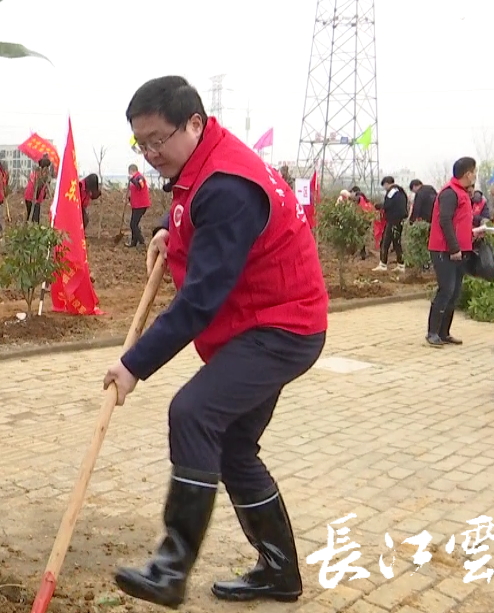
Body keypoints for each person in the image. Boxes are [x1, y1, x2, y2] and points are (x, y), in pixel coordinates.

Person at [102, 76, 328, 608]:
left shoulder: (228, 185)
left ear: (195, 124)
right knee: (233, 448)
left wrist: (134, 365)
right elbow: (188, 203)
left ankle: (171, 567)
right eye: (142, 143)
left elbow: (199, 301)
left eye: (159, 139)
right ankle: (280, 572)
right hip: (261, 320)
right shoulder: (206, 162)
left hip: (281, 326)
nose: (152, 153)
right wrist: (167, 227)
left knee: (195, 412)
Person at [426, 157, 479, 348]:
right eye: (474, 171)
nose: (475, 175)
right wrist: (454, 248)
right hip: (444, 250)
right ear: (467, 174)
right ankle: (432, 332)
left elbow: (459, 222)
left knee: (455, 292)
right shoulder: (450, 193)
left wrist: (473, 234)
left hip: (459, 251)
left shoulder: (462, 193)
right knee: (446, 290)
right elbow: (445, 221)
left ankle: (444, 332)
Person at [374, 176, 407, 272]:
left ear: (387, 184)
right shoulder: (401, 191)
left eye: (384, 186)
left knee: (385, 241)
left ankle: (383, 264)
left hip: (393, 220)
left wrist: (378, 206)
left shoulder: (392, 192)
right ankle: (401, 265)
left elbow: (387, 205)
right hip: (400, 220)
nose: (384, 188)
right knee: (397, 243)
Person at [127, 164, 151, 247]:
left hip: (141, 205)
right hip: (136, 205)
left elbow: (140, 186)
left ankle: (141, 241)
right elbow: (135, 191)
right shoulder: (134, 178)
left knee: (133, 224)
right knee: (134, 224)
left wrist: (132, 179)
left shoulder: (139, 177)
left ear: (132, 171)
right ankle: (134, 242)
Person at [24, 155, 53, 223]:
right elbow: (38, 188)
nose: (48, 169)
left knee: (30, 217)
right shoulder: (39, 175)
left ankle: (27, 229)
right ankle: (31, 230)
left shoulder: (35, 173)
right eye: (47, 167)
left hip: (29, 198)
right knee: (35, 220)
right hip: (33, 199)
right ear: (45, 167)